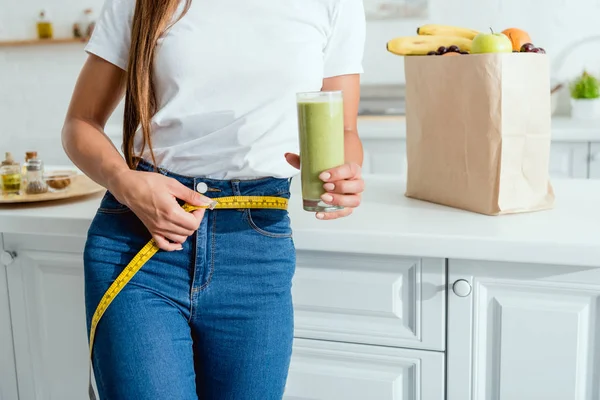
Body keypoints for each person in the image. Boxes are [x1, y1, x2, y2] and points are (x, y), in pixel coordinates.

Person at [62, 0, 366, 398]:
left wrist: (342, 173)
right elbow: (80, 123)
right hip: (142, 238)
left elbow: (344, 128)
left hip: (256, 249)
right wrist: (124, 181)